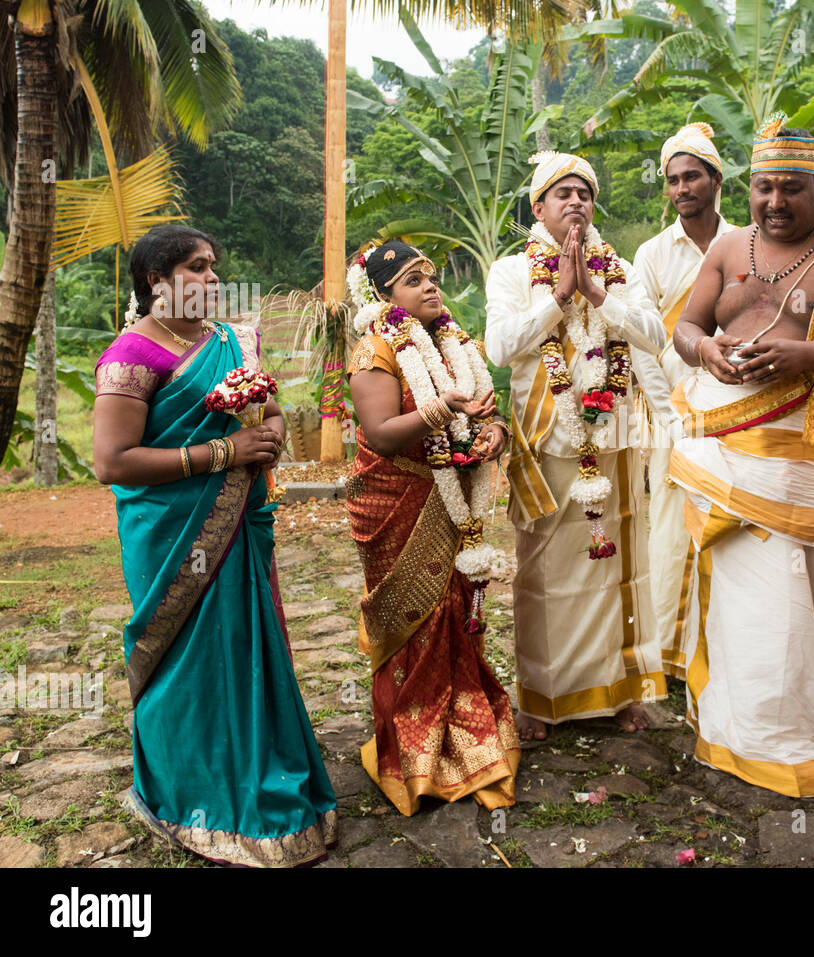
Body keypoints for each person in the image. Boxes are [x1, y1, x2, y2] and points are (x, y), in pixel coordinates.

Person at [669, 118, 814, 797]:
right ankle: (742, 732)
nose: (775, 202)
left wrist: (805, 355)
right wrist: (706, 350)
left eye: (791, 189)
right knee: (748, 600)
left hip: (811, 445)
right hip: (731, 438)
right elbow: (689, 326)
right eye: (764, 187)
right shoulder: (727, 247)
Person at [93, 224, 337, 866]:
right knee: (188, 658)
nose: (213, 280)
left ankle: (260, 766)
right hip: (171, 534)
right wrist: (223, 452)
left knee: (244, 645)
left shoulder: (232, 339)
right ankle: (184, 790)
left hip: (241, 524)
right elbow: (112, 462)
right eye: (197, 268)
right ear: (157, 281)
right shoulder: (131, 356)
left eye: (214, 267)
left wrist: (272, 434)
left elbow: (274, 409)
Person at [485, 153, 668, 742]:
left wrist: (595, 291)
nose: (576, 203)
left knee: (613, 566)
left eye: (584, 195)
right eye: (562, 194)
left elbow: (655, 335)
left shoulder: (617, 269)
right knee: (543, 574)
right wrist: (559, 298)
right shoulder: (512, 270)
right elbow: (500, 347)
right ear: (537, 207)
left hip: (613, 439)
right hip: (548, 441)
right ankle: (541, 697)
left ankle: (617, 694)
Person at [344, 239, 519, 813]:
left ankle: (466, 730)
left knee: (455, 610)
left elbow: (483, 411)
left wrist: (492, 434)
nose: (430, 287)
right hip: (395, 497)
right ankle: (413, 751)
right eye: (413, 280)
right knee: (413, 618)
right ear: (384, 295)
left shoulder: (451, 341)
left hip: (452, 497)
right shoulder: (376, 348)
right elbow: (382, 432)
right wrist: (445, 410)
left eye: (431, 277)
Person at [632, 122, 738, 680]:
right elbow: (642, 342)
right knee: (670, 526)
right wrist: (665, 410)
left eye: (692, 176)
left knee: (731, 519)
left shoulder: (745, 243)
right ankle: (668, 656)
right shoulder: (651, 254)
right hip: (671, 410)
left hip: (735, 404)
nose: (681, 188)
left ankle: (725, 646)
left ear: (716, 179)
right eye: (672, 180)